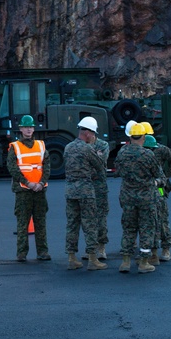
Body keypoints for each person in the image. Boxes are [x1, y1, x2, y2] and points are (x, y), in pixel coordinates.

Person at [115, 122, 162, 273]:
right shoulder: (148, 154)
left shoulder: (122, 153)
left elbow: (118, 171)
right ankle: (143, 262)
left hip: (127, 196)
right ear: (143, 137)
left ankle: (125, 261)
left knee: (128, 228)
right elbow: (158, 174)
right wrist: (157, 182)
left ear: (130, 136)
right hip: (146, 198)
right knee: (146, 229)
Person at [63, 116, 108, 271]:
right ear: (88, 133)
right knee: (90, 224)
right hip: (86, 191)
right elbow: (100, 166)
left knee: (72, 225)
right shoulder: (88, 148)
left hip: (70, 191)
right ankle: (92, 259)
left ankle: (71, 258)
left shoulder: (68, 147)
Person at [7, 114, 50, 262]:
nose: (28, 130)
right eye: (26, 127)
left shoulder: (41, 145)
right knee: (22, 224)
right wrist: (28, 183)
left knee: (40, 223)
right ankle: (21, 253)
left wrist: (40, 183)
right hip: (23, 191)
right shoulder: (15, 147)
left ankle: (43, 252)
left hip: (39, 190)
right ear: (20, 129)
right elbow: (13, 168)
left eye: (31, 127)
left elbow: (47, 166)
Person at [144, 133, 171, 262]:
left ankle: (166, 248)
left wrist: (166, 175)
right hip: (144, 188)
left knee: (162, 217)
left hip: (158, 187)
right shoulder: (138, 151)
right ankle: (150, 250)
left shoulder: (161, 149)